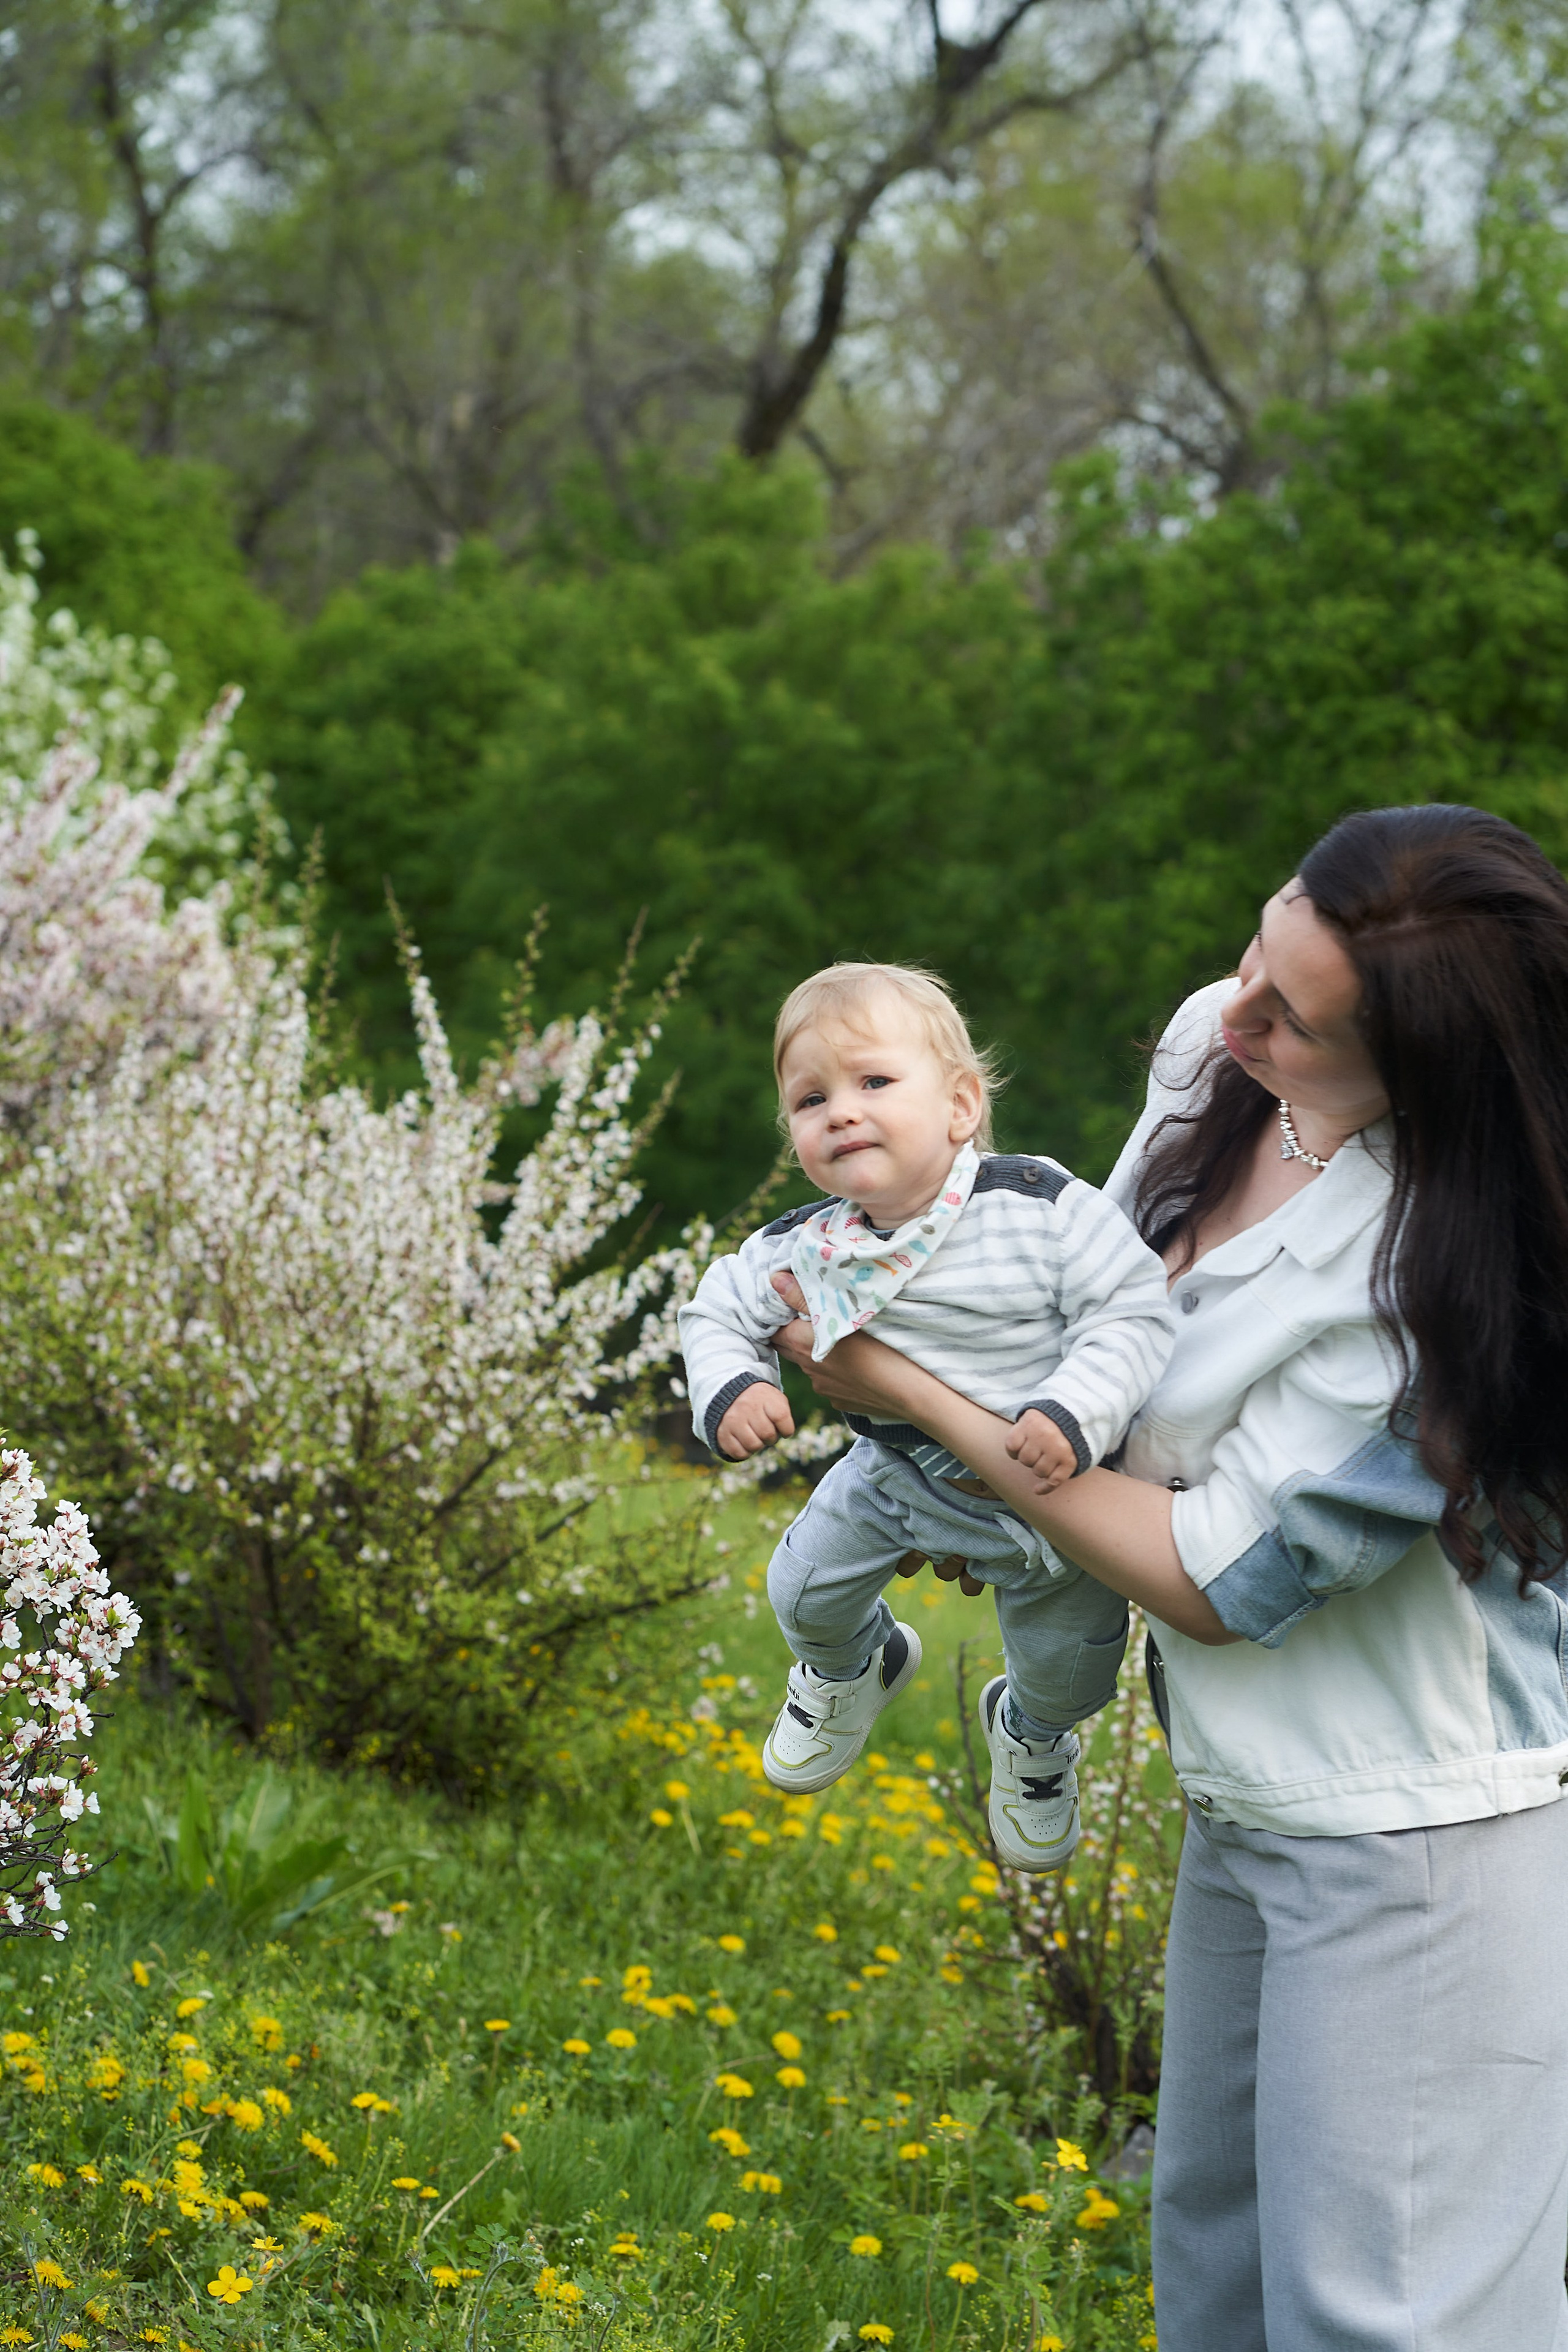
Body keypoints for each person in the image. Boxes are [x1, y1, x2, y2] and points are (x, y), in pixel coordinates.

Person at [767, 806, 1568, 2352]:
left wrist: (909, 1392)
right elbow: (1095, 1315)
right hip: (1243, 1791)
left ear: (1428, 1072)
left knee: (1389, 2319)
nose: (1235, 1017)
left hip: (1414, 1831)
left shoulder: (1442, 1271)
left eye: (1297, 1020)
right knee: (1216, 2278)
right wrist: (978, 1476)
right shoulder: (1220, 1046)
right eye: (1257, 953)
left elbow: (1222, 1574)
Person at [677, 960, 1174, 1869]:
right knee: (800, 1589)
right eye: (811, 1099)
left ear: (960, 1106)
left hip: (1057, 1495)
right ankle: (852, 1665)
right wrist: (734, 1387)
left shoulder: (1038, 1208)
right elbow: (715, 1308)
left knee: (1070, 1667)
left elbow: (1134, 1310)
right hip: (896, 1476)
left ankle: (1032, 1734)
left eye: (874, 1081)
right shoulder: (808, 1243)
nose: (841, 1112)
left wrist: (1077, 1409)